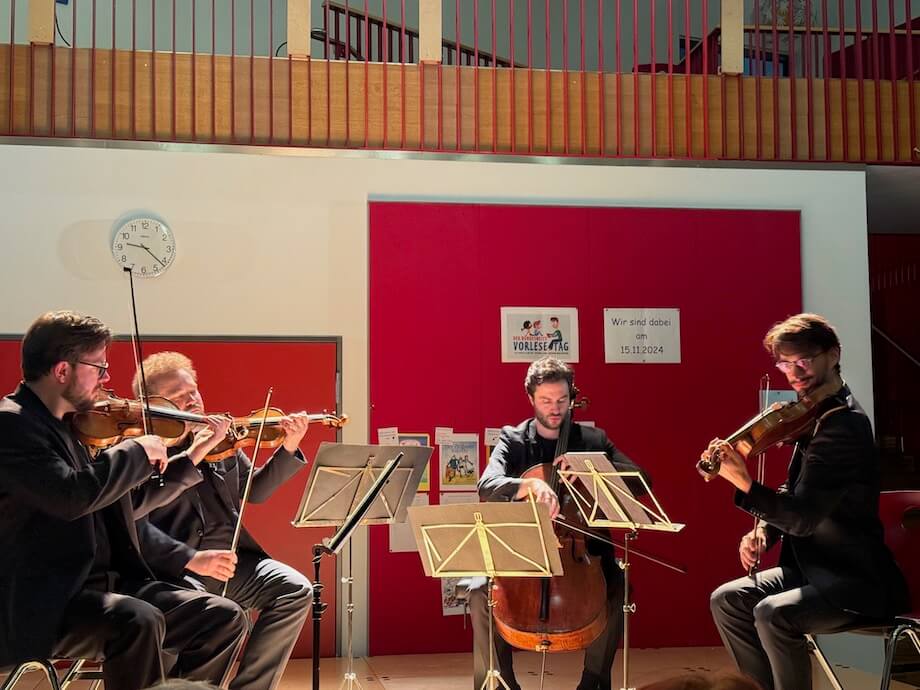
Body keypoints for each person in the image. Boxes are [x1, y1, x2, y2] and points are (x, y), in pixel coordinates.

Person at [0, 311, 248, 690]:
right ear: (62, 370)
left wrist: (188, 455)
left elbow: (126, 506)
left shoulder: (76, 424)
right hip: (46, 599)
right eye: (98, 366)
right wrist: (134, 451)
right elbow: (71, 496)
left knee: (222, 615)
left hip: (106, 584)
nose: (106, 378)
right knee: (137, 620)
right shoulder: (13, 425)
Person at [704, 313, 910, 690]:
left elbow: (803, 520)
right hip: (811, 569)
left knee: (772, 614)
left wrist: (747, 486)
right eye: (785, 364)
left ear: (833, 355)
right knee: (728, 601)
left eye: (803, 361)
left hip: (854, 579)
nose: (794, 373)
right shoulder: (816, 417)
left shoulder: (843, 424)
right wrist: (764, 533)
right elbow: (793, 492)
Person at [132, 351, 314, 690]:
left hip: (235, 563)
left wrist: (289, 446)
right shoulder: (144, 449)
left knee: (296, 590)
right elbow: (136, 516)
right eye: (178, 396)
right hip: (179, 572)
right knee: (217, 618)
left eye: (194, 392)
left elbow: (253, 491)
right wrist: (194, 452)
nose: (192, 401)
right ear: (154, 403)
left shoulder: (223, 438)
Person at [471, 356, 652, 690]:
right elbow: (486, 485)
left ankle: (593, 682)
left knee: (619, 587)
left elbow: (643, 482)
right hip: (525, 555)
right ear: (531, 399)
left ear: (571, 398)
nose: (555, 409)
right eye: (546, 401)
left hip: (585, 555)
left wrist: (591, 466)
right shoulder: (514, 440)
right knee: (479, 591)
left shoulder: (593, 440)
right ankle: (501, 684)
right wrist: (528, 484)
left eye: (562, 400)